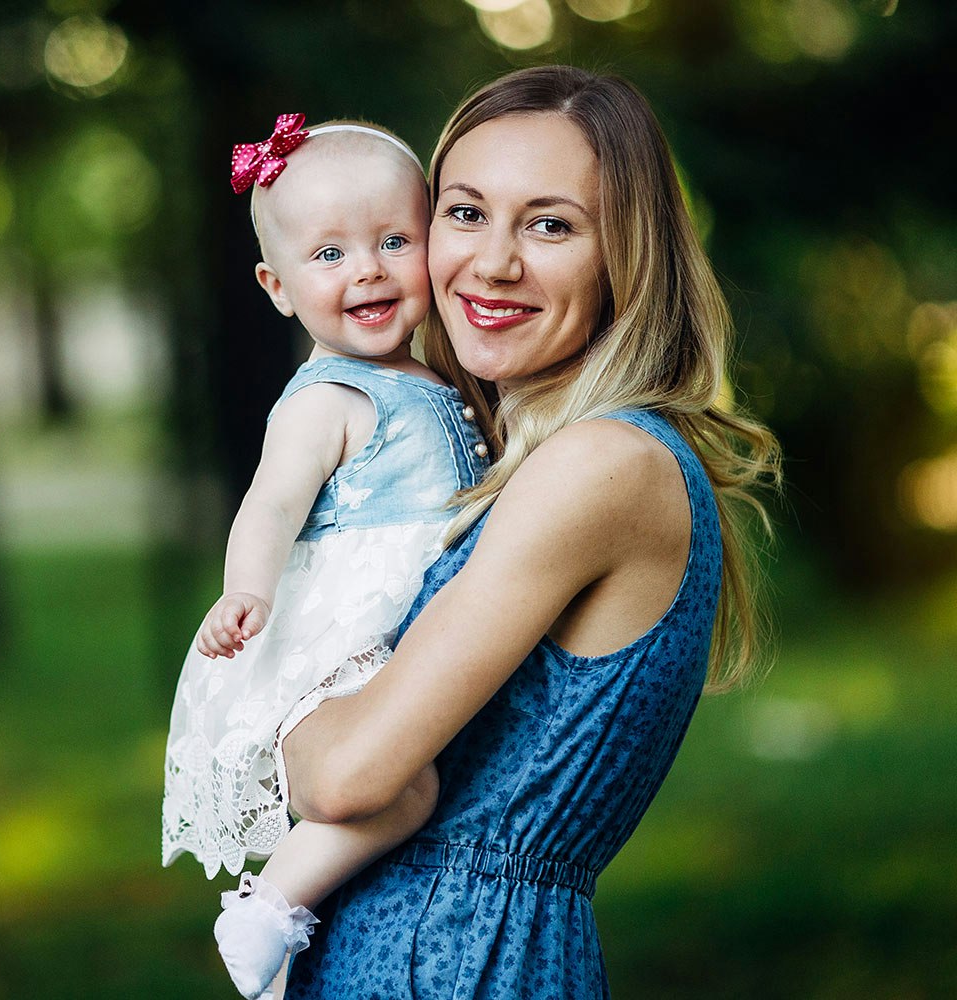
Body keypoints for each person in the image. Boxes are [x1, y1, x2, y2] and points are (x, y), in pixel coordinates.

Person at [277, 66, 780, 999]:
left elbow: (347, 776)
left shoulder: (606, 463)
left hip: (461, 962)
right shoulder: (510, 455)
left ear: (626, 256)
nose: (495, 263)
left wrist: (266, 701)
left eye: (551, 225)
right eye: (465, 214)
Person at [161, 113, 489, 999]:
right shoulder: (327, 398)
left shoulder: (435, 377)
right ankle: (268, 906)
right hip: (335, 652)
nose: (369, 270)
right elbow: (268, 505)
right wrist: (246, 593)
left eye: (394, 240)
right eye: (330, 255)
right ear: (276, 284)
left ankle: (288, 961)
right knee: (404, 790)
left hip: (406, 644)